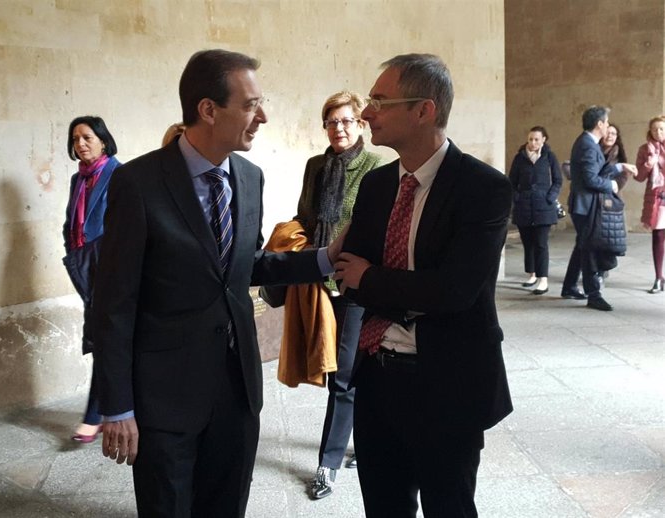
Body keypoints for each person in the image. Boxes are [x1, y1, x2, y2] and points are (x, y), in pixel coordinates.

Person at [91, 49, 340, 518]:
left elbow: (245, 266)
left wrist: (325, 259)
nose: (263, 116)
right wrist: (117, 407)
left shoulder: (249, 177)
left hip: (236, 389)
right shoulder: (139, 183)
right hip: (164, 396)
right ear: (208, 109)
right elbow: (113, 303)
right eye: (251, 105)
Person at [333, 53, 513, 518]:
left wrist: (372, 279)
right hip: (377, 381)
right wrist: (374, 282)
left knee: (448, 507)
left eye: (379, 100)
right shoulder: (375, 186)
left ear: (423, 110)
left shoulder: (483, 188)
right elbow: (347, 278)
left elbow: (455, 292)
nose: (367, 112)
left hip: (448, 383)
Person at [294, 91, 383, 499]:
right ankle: (369, 440)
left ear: (360, 124)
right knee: (343, 368)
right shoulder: (316, 166)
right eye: (332, 122)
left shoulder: (376, 168)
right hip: (319, 281)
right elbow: (304, 216)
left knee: (343, 376)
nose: (339, 128)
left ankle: (329, 464)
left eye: (347, 121)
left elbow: (378, 228)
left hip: (355, 282)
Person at [62, 116, 121, 443]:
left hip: (110, 266)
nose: (80, 144)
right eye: (75, 140)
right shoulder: (77, 179)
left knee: (104, 338)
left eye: (86, 137)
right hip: (84, 266)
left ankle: (94, 413)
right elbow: (70, 221)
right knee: (106, 337)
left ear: (102, 139)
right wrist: (72, 248)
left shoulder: (118, 174)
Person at [560, 106, 635, 310]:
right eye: (607, 122)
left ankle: (568, 286)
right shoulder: (587, 144)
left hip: (585, 204)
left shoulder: (588, 143)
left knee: (583, 245)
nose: (608, 126)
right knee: (590, 248)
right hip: (585, 205)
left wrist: (619, 167)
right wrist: (611, 185)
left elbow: (596, 170)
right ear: (599, 124)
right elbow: (591, 179)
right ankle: (594, 295)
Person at [509, 126, 562, 295]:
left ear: (544, 139)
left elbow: (558, 180)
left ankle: (543, 279)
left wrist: (550, 197)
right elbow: (512, 182)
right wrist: (517, 197)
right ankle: (531, 274)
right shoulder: (519, 158)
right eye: (530, 139)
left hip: (543, 207)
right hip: (524, 206)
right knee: (528, 242)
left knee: (541, 243)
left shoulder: (549, 157)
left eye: (536, 139)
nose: (532, 142)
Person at [634, 115, 665, 293]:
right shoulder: (645, 149)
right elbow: (638, 177)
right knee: (659, 236)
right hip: (657, 196)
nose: (658, 132)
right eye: (654, 129)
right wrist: (648, 164)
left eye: (661, 128)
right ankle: (658, 277)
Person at [601, 123, 630, 190]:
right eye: (607, 133)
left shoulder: (620, 154)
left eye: (613, 134)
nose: (609, 136)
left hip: (611, 193)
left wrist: (615, 185)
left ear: (617, 137)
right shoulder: (593, 152)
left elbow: (623, 176)